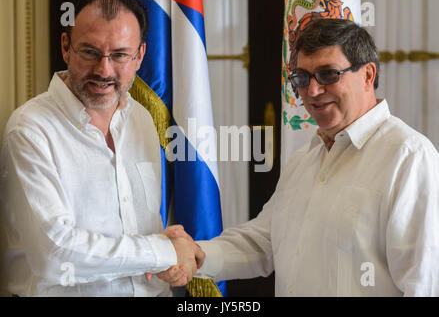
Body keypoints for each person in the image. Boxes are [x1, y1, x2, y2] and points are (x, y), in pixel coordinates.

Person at [156, 19, 439, 296]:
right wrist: (197, 254)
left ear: (368, 75)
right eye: (302, 78)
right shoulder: (305, 157)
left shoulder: (409, 157)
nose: (312, 91)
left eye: (329, 74)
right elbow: (264, 241)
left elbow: (423, 283)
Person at [0, 0, 203, 297]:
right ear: (66, 46)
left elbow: (135, 231)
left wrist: (164, 245)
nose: (104, 70)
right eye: (90, 52)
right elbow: (55, 255)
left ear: (140, 55)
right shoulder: (30, 129)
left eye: (120, 55)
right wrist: (162, 250)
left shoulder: (142, 121)